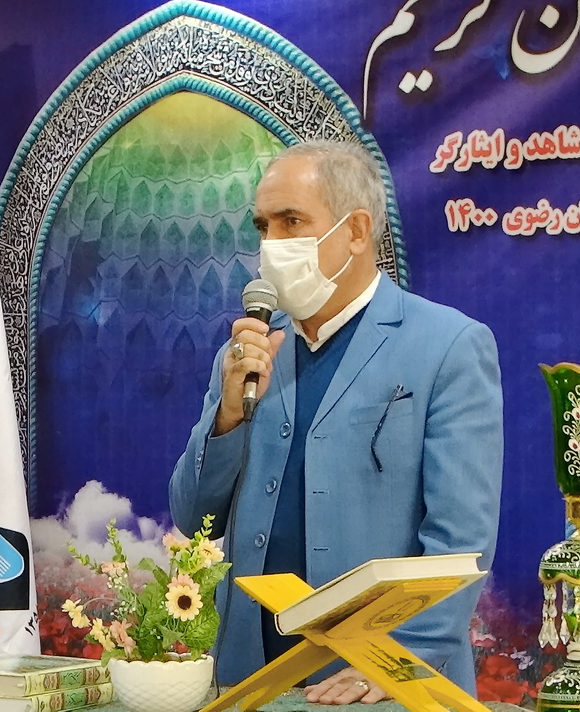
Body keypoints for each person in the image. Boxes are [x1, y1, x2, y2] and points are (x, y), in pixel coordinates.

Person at [168, 139, 502, 704]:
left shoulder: (448, 346)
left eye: (292, 222)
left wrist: (395, 663)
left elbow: (460, 542)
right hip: (252, 676)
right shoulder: (250, 351)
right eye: (263, 226)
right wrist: (227, 414)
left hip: (380, 682)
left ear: (356, 231)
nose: (272, 245)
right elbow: (193, 514)